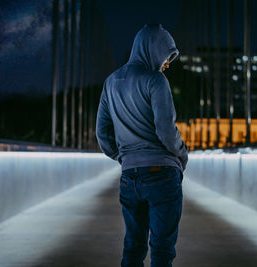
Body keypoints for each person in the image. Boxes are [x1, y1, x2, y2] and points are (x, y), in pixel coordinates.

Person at [96, 24, 189, 267]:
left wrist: (124, 157)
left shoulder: (110, 82)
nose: (167, 63)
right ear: (153, 49)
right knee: (162, 249)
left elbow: (101, 133)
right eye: (166, 56)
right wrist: (182, 155)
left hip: (129, 177)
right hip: (162, 174)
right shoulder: (156, 80)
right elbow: (166, 130)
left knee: (133, 245)